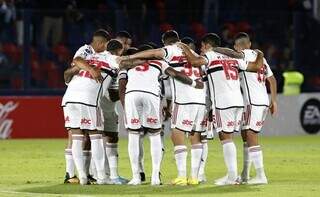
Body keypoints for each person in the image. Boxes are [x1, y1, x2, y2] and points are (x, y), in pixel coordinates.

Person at [120, 30, 207, 185]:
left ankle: (178, 176)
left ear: (165, 42)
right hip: (200, 99)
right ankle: (193, 176)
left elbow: (156, 56)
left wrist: (128, 57)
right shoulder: (192, 52)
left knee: (176, 135)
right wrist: (196, 84)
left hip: (182, 99)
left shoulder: (167, 52)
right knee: (195, 136)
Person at [177, 33, 264, 186]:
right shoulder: (232, 57)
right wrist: (260, 54)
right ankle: (233, 175)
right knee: (229, 137)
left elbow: (194, 61)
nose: (201, 49)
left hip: (223, 103)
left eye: (202, 46)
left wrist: (184, 46)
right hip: (238, 102)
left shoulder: (210, 55)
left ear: (207, 46)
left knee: (225, 138)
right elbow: (256, 67)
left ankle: (231, 177)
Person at [233, 32, 277, 184]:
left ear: (236, 47)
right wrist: (274, 101)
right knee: (246, 135)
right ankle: (245, 174)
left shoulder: (240, 56)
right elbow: (272, 79)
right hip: (263, 101)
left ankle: (260, 175)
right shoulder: (261, 58)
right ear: (249, 44)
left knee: (251, 135)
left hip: (253, 102)